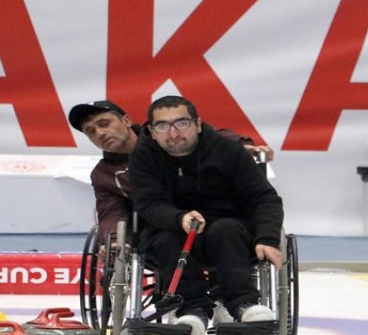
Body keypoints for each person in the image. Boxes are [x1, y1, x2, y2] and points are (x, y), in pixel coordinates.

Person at [127, 95, 285, 335]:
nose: (173, 133)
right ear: (151, 132)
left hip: (227, 229)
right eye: (162, 126)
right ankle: (190, 310)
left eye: (181, 123)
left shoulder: (229, 152)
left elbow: (264, 198)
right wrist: (178, 218)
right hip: (169, 228)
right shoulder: (142, 157)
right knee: (168, 238)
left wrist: (268, 238)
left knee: (227, 229)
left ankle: (241, 303)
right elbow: (148, 203)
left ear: (198, 124)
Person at [68, 100, 275, 243]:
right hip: (162, 228)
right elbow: (112, 212)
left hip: (214, 216)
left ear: (126, 121)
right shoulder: (103, 175)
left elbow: (204, 136)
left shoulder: (162, 134)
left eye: (104, 124)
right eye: (91, 131)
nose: (100, 133)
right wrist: (113, 240)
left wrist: (240, 144)